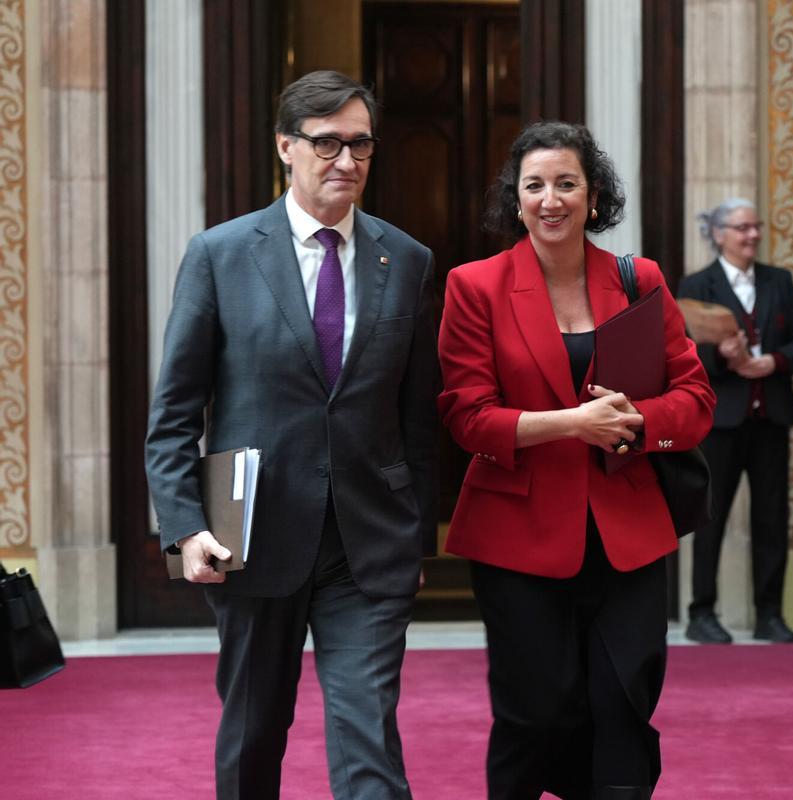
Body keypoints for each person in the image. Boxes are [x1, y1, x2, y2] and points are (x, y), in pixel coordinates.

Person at [145, 70, 438, 799]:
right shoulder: (220, 254)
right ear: (286, 146)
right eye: (328, 143)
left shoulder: (406, 260)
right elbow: (175, 412)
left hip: (367, 544)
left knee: (369, 735)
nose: (347, 160)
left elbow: (419, 417)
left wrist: (415, 534)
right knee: (254, 731)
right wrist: (186, 529)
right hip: (253, 539)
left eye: (361, 144)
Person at [437, 121, 714, 799]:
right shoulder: (474, 286)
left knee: (623, 704)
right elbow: (467, 418)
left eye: (567, 183)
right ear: (517, 199)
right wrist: (574, 424)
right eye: (534, 185)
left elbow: (696, 399)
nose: (550, 199)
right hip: (517, 539)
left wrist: (637, 423)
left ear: (594, 197)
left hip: (627, 535)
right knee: (534, 715)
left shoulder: (637, 279)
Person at [675, 199, 793, 645]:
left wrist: (775, 361)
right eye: (742, 228)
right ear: (718, 234)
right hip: (720, 422)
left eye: (756, 226)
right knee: (710, 517)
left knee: (772, 517)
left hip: (771, 417)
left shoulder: (779, 281)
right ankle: (701, 613)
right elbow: (680, 354)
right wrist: (719, 356)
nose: (753, 235)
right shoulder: (697, 285)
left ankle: (770, 614)